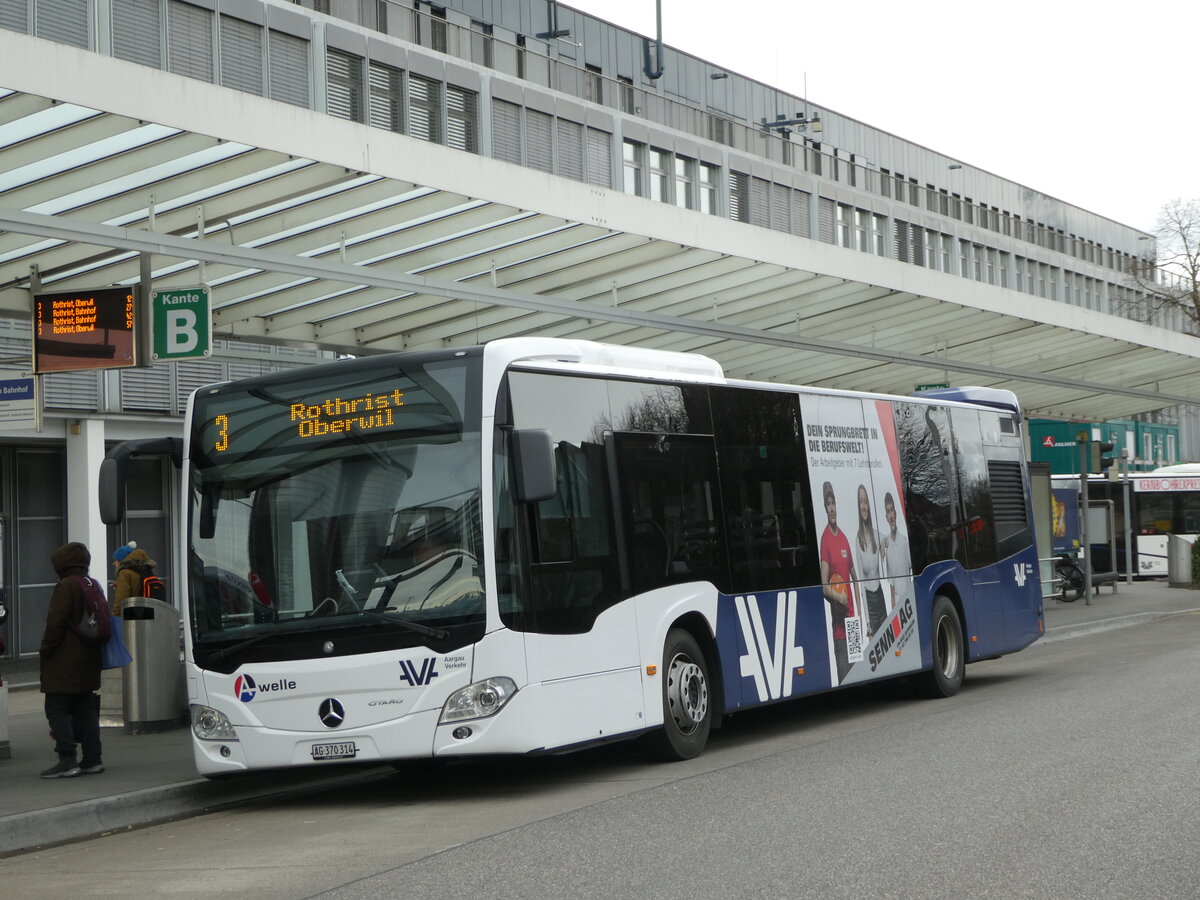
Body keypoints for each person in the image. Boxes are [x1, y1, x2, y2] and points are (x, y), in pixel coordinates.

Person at [39, 542, 103, 778]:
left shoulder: (67, 586)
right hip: (89, 657)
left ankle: (67, 759)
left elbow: (56, 622)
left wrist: (45, 649)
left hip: (65, 660)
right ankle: (93, 759)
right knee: (85, 709)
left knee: (56, 709)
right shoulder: (91, 583)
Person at [818, 482, 856, 683]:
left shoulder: (844, 538)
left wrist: (862, 617)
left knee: (858, 675)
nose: (832, 508)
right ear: (825, 508)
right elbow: (824, 586)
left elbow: (856, 579)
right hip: (839, 628)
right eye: (828, 504)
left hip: (853, 623)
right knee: (845, 677)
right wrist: (839, 597)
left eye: (833, 503)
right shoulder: (825, 539)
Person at [853, 484, 887, 637]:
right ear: (858, 506)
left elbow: (886, 539)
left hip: (880, 597)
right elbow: (861, 585)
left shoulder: (876, 534)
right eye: (861, 502)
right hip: (870, 603)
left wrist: (883, 545)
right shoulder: (858, 541)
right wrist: (867, 622)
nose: (864, 506)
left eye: (866, 501)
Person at [879, 492, 913, 613]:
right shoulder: (886, 545)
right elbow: (891, 587)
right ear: (886, 517)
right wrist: (894, 611)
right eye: (888, 511)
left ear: (896, 513)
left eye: (892, 510)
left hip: (909, 603)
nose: (891, 516)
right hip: (898, 608)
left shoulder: (904, 541)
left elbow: (911, 573)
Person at [112, 541, 156, 616]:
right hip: (149, 614)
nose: (114, 563)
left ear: (121, 561)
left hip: (133, 616)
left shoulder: (125, 573)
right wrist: (119, 586)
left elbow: (121, 599)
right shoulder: (145, 570)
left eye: (116, 560)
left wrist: (115, 616)